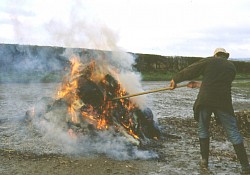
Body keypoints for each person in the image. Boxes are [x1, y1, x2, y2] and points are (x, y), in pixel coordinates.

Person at [170, 48, 250, 174]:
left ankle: (204, 162)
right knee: (233, 132)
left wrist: (176, 80)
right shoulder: (231, 67)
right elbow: (217, 84)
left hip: (205, 101)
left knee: (203, 129)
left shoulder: (210, 61)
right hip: (223, 102)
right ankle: (245, 166)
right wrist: (198, 84)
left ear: (216, 55)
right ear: (225, 56)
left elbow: (192, 69)